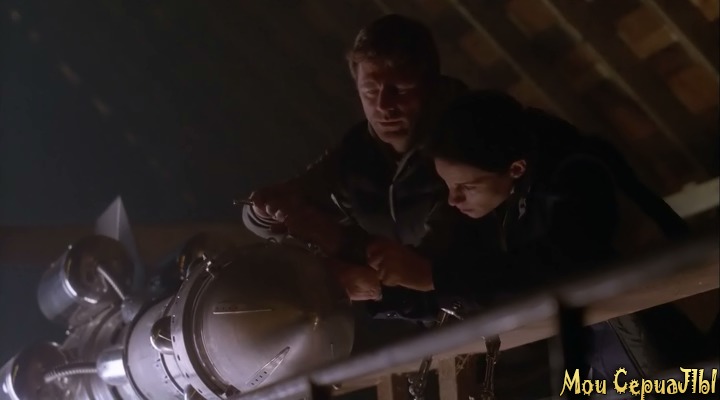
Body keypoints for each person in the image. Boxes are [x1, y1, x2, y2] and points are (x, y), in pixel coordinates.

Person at [366, 90, 706, 398]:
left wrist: (433, 277)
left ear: (516, 167)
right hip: (613, 355)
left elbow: (555, 267)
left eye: (466, 186)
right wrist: (381, 290)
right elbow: (476, 279)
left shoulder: (579, 176)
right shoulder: (513, 197)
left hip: (673, 347)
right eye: (448, 185)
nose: (453, 199)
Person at [241, 14, 470, 323]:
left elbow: (433, 268)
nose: (383, 106)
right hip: (432, 324)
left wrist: (338, 241)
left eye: (400, 90)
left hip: (498, 315)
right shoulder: (358, 153)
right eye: (370, 91)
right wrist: (265, 209)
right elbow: (271, 214)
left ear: (431, 85)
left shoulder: (466, 142)